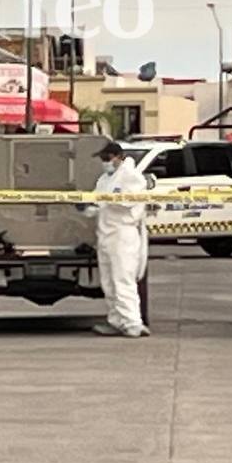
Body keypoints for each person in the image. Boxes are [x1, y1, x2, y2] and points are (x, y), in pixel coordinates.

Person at [91, 141, 150, 339]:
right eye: (102, 159)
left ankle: (133, 323)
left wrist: (108, 200)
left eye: (107, 158)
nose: (104, 162)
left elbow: (128, 202)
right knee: (108, 282)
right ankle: (116, 320)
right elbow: (96, 205)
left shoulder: (131, 177)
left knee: (123, 279)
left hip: (123, 235)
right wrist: (85, 208)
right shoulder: (104, 180)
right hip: (105, 234)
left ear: (118, 156)